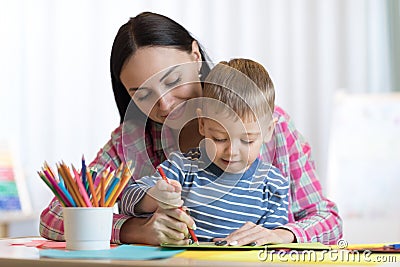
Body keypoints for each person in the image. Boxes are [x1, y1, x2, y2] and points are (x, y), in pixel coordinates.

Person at [39, 11, 342, 245]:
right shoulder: (129, 142)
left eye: (172, 81)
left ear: (195, 57)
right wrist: (133, 230)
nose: (165, 104)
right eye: (141, 94)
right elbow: (53, 217)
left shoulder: (269, 127)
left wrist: (281, 235)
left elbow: (327, 219)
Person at [120, 59, 289, 243]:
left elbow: (273, 247)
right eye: (219, 138)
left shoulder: (274, 185)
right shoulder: (183, 168)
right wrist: (154, 196)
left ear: (269, 131)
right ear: (202, 124)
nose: (232, 151)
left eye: (247, 140)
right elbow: (127, 199)